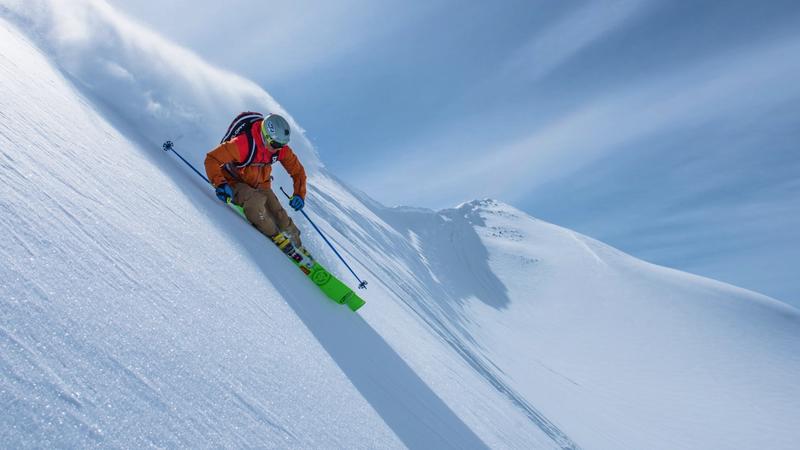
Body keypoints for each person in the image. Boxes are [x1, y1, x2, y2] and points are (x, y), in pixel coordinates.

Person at [204, 113, 306, 247]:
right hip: (234, 181)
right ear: (265, 136)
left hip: (261, 183)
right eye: (275, 144)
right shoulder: (242, 144)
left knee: (279, 214)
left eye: (282, 145)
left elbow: (297, 171)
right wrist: (220, 184)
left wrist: (299, 193)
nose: (278, 149)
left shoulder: (280, 149)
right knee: (256, 203)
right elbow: (212, 159)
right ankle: (276, 237)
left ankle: (296, 244)